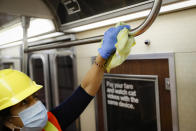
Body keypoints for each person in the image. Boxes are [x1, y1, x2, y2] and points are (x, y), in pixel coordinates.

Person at [0, 25, 130, 131]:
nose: (37, 104)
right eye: (25, 102)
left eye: (34, 97)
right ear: (8, 121)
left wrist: (102, 56)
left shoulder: (51, 123)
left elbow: (85, 90)